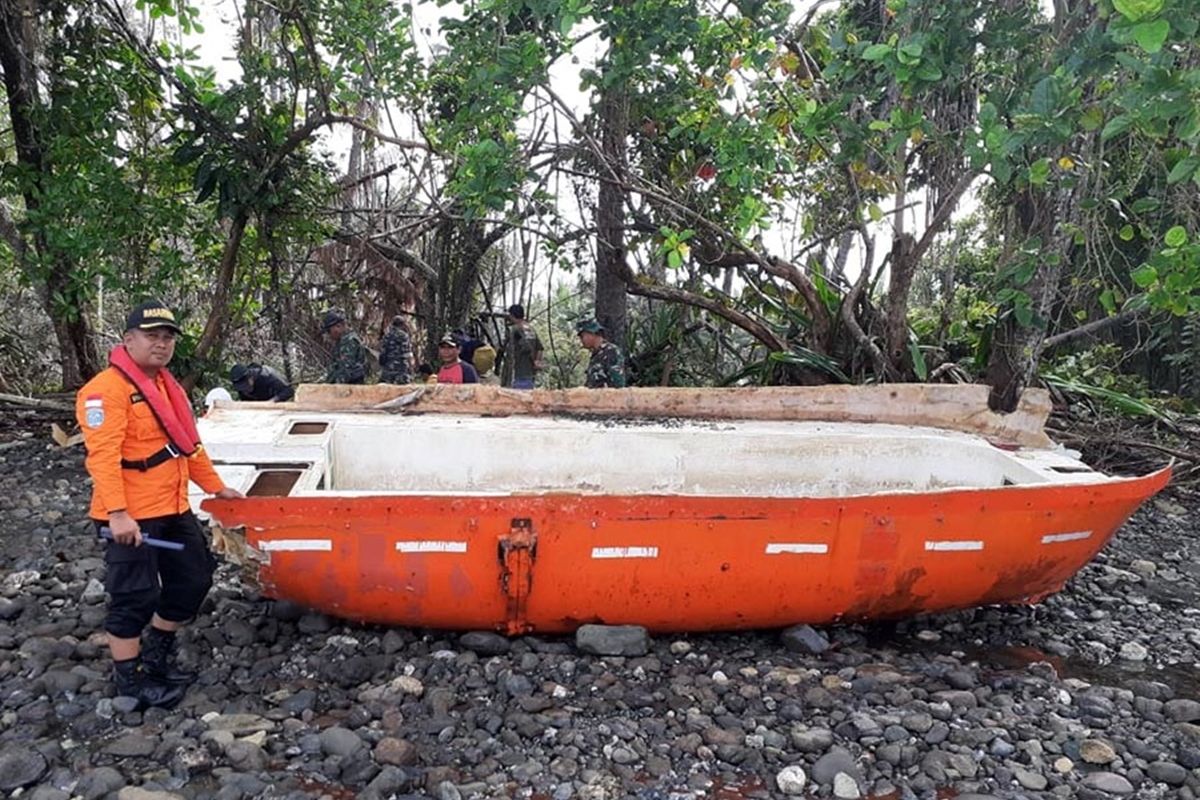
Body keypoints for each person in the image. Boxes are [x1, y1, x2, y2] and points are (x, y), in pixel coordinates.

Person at [75, 300, 245, 710]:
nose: (162, 344)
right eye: (152, 336)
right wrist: (117, 513)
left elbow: (188, 445)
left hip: (171, 504)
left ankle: (156, 653)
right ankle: (130, 680)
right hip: (132, 514)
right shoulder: (104, 391)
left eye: (168, 337)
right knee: (134, 594)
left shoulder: (169, 387)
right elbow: (103, 456)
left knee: (194, 578)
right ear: (128, 340)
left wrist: (216, 488)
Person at [500, 304, 543, 390]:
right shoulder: (531, 328)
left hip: (520, 372)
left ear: (512, 315)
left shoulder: (515, 329)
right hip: (530, 373)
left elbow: (514, 349)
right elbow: (540, 348)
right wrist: (536, 361)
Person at [576, 318, 627, 388]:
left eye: (582, 336)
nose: (581, 340)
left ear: (591, 334)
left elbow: (618, 383)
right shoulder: (596, 355)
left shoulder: (611, 351)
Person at [321, 308, 367, 384]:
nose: (329, 334)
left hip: (351, 388)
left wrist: (331, 388)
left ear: (338, 326)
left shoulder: (349, 341)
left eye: (329, 331)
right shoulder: (342, 341)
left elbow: (345, 371)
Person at [229, 363, 294, 402]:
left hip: (276, 408)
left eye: (246, 386)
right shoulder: (241, 388)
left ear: (251, 378)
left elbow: (289, 391)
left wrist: (273, 401)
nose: (245, 390)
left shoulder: (267, 375)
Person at [378, 316, 414, 385]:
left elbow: (382, 353)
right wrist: (411, 369)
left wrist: (383, 366)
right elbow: (407, 354)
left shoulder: (386, 336)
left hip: (388, 370)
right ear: (402, 324)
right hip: (401, 370)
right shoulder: (404, 336)